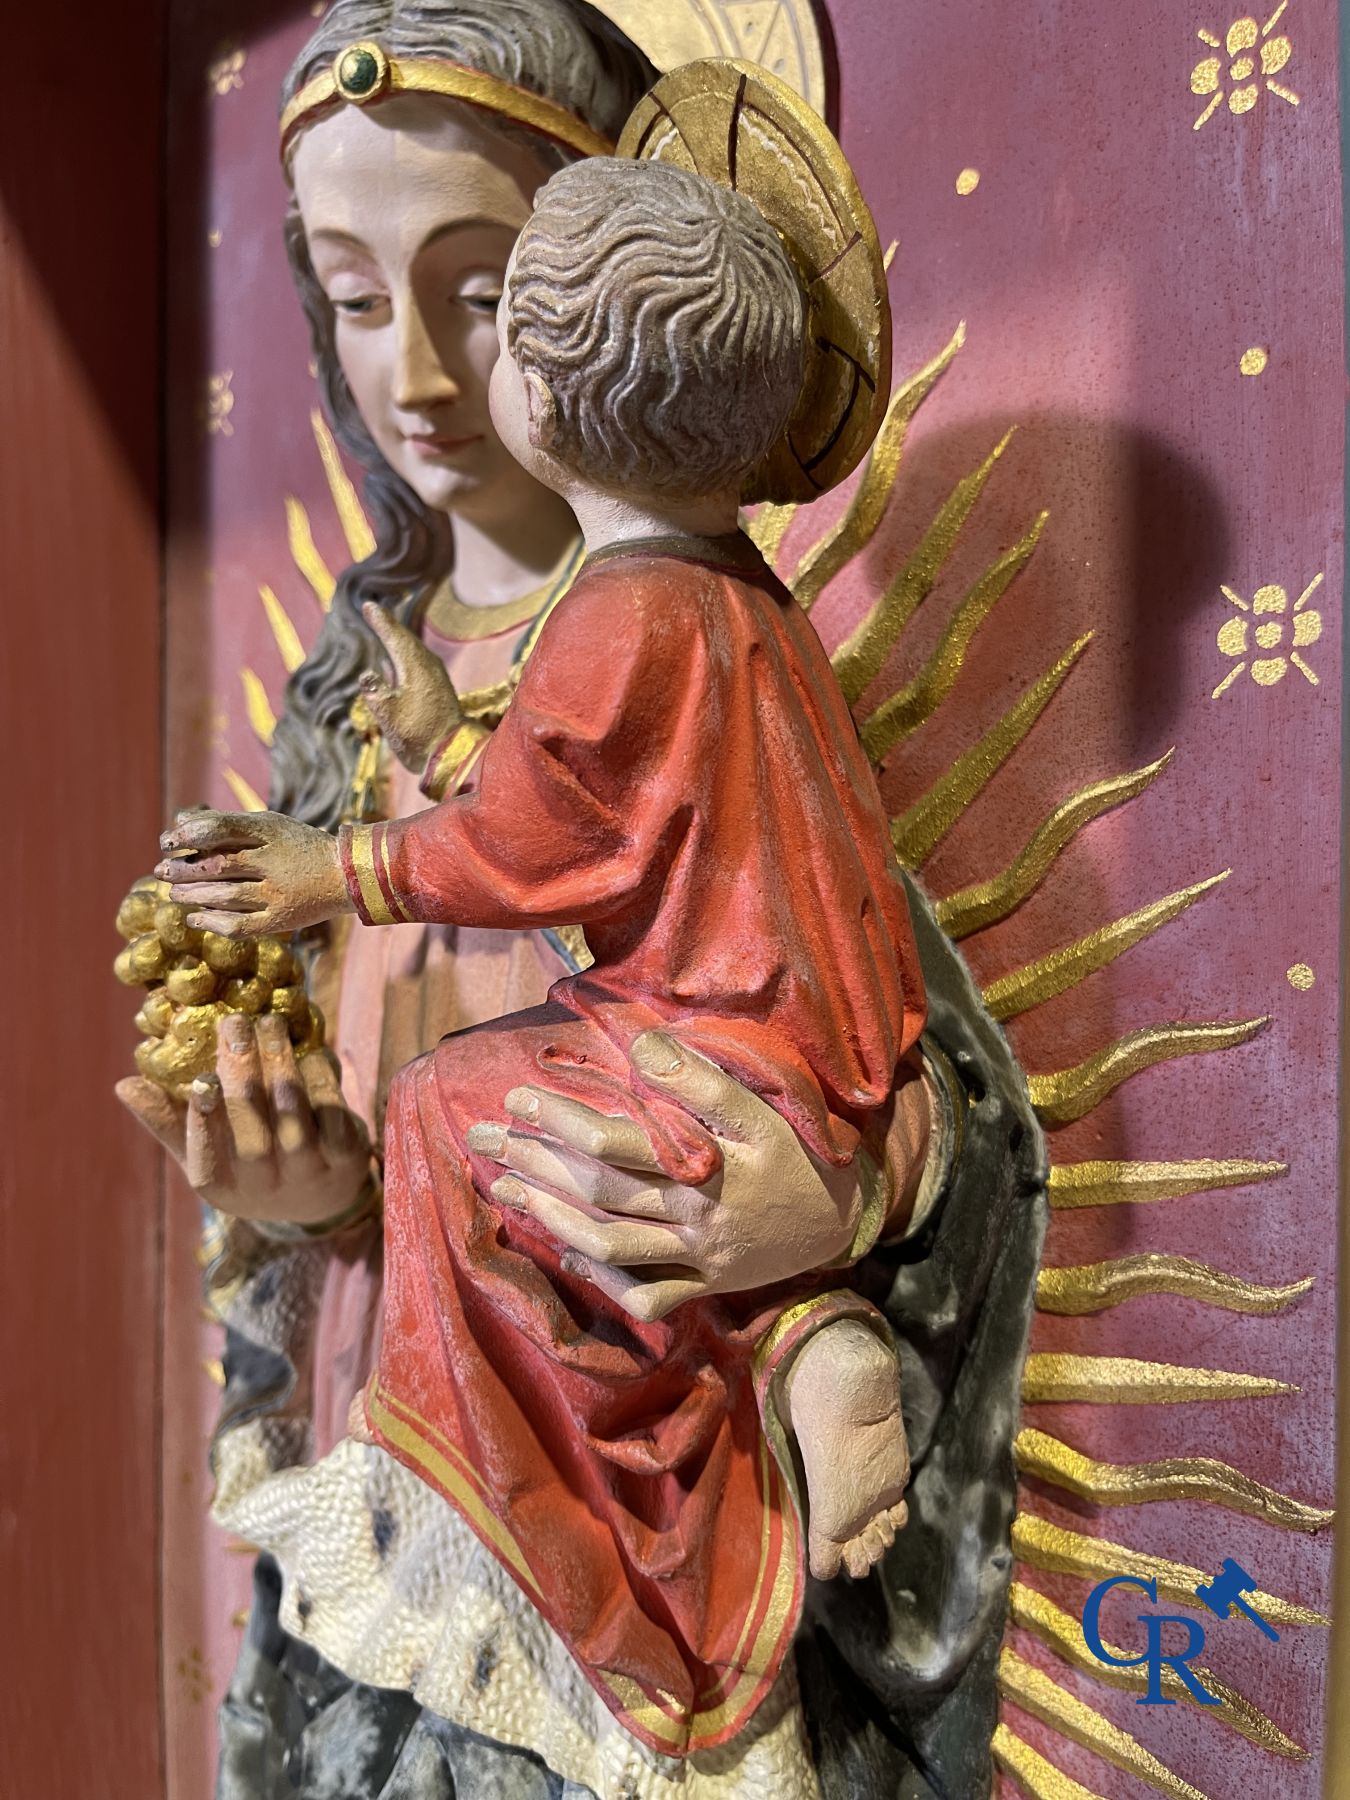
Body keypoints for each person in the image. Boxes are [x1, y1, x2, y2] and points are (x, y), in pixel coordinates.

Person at [119, 4, 1043, 1795]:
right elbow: (361, 1134)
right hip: (426, 1436)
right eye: (353, 296)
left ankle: (804, 1352)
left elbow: (880, 1024)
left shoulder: (679, 644)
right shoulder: (348, 700)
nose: (414, 373)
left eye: (478, 295)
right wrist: (300, 1197)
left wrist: (847, 1194)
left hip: (650, 1470)